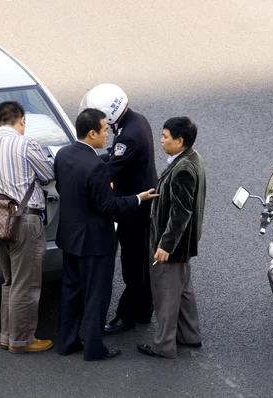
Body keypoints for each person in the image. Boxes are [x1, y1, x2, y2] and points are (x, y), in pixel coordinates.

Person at [54, 108, 158, 361]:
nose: (107, 137)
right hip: (95, 241)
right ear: (91, 133)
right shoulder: (97, 168)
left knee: (71, 292)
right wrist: (138, 198)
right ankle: (93, 348)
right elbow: (109, 207)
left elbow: (62, 186)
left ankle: (67, 342)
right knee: (96, 296)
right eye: (103, 130)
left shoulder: (64, 155)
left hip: (69, 236)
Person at [79, 83, 158, 334]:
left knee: (132, 264)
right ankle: (144, 308)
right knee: (142, 261)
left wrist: (83, 167)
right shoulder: (136, 121)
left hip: (132, 208)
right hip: (143, 202)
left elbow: (112, 167)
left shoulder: (127, 136)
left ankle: (127, 315)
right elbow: (114, 156)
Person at [0, 101, 55, 354]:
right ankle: (22, 340)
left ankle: (7, 335)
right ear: (21, 120)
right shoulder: (26, 144)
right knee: (27, 283)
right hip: (25, 219)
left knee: (10, 281)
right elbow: (47, 175)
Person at [137, 117, 206, 359]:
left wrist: (165, 245)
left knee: (166, 295)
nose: (162, 140)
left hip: (173, 246)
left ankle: (164, 345)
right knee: (184, 291)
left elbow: (181, 212)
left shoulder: (183, 169)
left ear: (180, 141)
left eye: (166, 136)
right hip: (184, 245)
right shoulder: (192, 158)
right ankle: (189, 335)